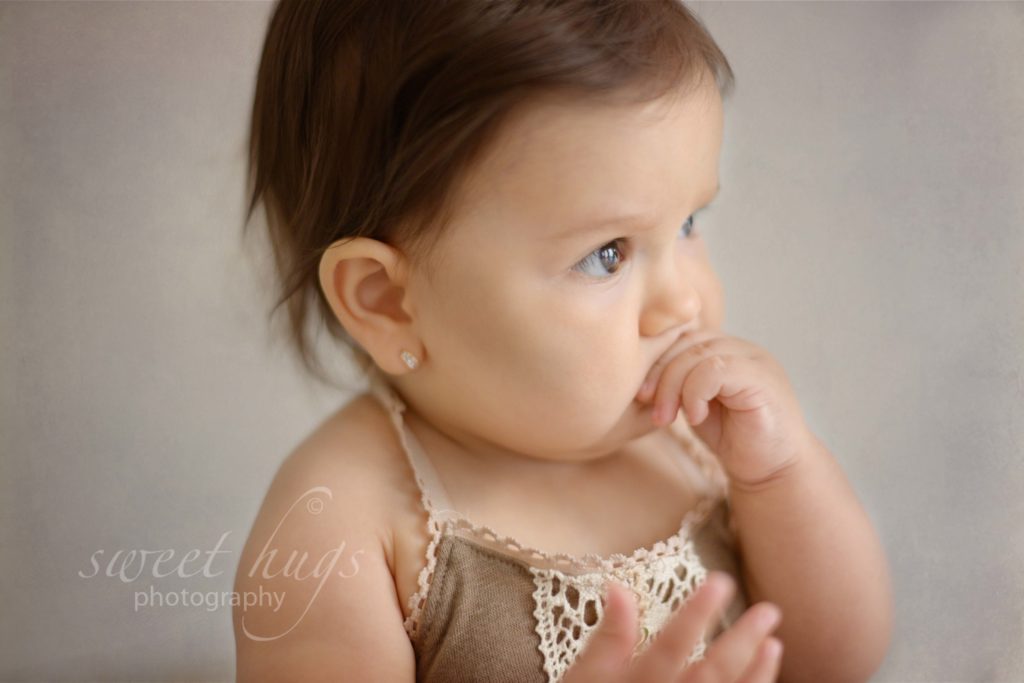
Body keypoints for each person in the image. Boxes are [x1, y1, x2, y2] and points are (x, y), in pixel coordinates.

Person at [232, 1, 893, 681]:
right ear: (389, 301)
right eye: (607, 254)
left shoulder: (698, 438)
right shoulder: (339, 523)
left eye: (688, 224)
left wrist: (781, 474)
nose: (686, 303)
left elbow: (834, 662)